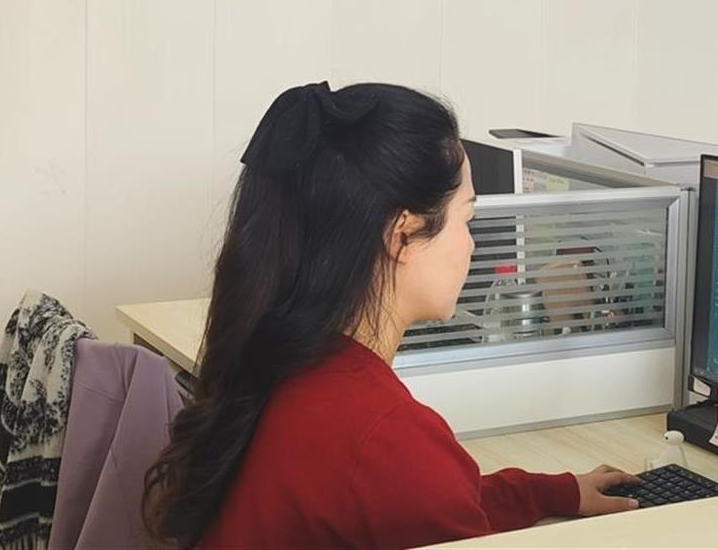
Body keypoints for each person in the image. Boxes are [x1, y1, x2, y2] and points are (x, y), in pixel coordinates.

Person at [144, 82, 640, 549]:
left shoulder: (292, 365)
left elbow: (421, 498)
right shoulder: (381, 434)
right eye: (467, 219)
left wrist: (554, 492)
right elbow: (404, 482)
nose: (472, 245)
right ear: (402, 235)